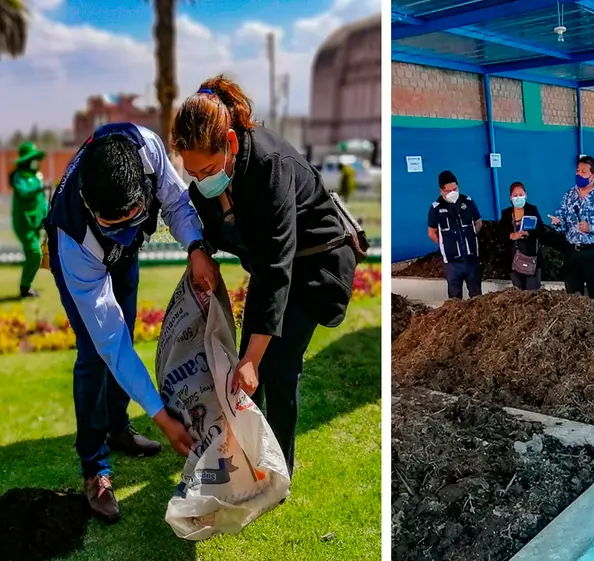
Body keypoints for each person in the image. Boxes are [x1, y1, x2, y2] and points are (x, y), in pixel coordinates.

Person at [172, 76, 359, 477]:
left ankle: (277, 470)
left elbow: (278, 264)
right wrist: (198, 251)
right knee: (247, 364)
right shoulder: (206, 185)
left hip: (316, 266)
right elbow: (222, 237)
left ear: (232, 145)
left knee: (276, 366)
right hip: (269, 268)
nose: (201, 180)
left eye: (207, 169)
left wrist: (253, 359)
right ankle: (254, 451)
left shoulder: (271, 166)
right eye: (192, 172)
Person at [45, 123, 212, 522]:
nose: (120, 232)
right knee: (94, 355)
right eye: (110, 224)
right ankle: (94, 467)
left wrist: (195, 247)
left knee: (130, 326)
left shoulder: (148, 150)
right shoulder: (75, 239)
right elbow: (112, 344)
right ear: (88, 202)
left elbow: (175, 205)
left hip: (123, 258)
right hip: (86, 259)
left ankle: (118, 428)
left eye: (131, 219)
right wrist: (162, 417)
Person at [549, 156, 594, 302]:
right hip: (572, 252)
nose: (579, 174)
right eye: (578, 171)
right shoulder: (569, 195)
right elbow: (563, 222)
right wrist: (558, 223)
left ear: (593, 176)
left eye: (583, 172)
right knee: (573, 298)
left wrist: (591, 228)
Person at [427, 170, 482, 299]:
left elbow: (478, 222)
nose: (453, 193)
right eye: (449, 190)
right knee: (455, 300)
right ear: (442, 191)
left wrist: (471, 236)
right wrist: (445, 245)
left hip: (471, 259)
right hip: (452, 263)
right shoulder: (436, 208)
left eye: (455, 189)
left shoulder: (467, 202)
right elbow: (431, 233)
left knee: (477, 298)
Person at [10, 142, 50, 298]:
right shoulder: (19, 177)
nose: (36, 162)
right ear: (26, 160)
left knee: (34, 255)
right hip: (24, 223)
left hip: (35, 222)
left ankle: (26, 287)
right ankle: (25, 288)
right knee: (35, 253)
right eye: (33, 159)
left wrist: (47, 216)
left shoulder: (35, 177)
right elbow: (24, 192)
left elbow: (40, 201)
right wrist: (39, 187)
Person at [500, 182, 544, 291]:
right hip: (513, 259)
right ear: (510, 197)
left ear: (526, 195)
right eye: (515, 195)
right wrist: (511, 235)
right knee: (518, 293)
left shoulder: (532, 210)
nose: (518, 198)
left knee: (532, 293)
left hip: (531, 258)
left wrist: (528, 233)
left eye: (521, 194)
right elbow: (500, 233)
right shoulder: (506, 213)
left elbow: (541, 230)